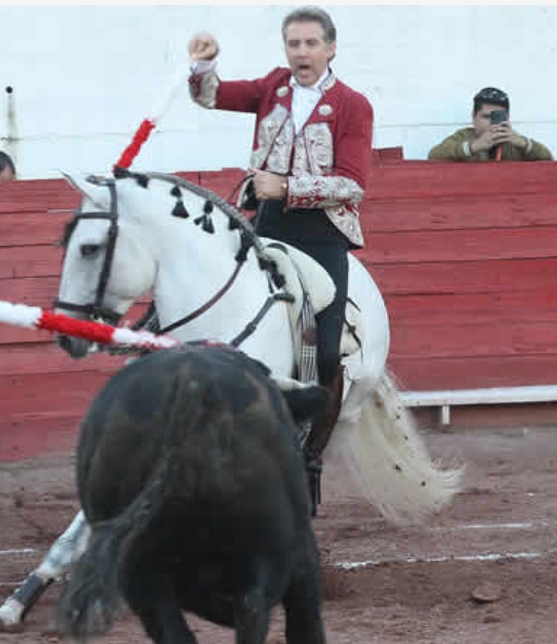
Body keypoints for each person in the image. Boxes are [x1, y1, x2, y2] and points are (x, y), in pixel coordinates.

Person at [187, 6, 370, 484]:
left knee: (327, 353)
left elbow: (352, 186)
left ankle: (310, 450)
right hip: (266, 223)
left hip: (322, 234)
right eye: (294, 44)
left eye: (311, 43)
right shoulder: (273, 87)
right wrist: (203, 64)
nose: (301, 52)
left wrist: (286, 186)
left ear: (331, 48)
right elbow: (211, 97)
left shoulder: (353, 104)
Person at [427, 87, 552, 162]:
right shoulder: (464, 137)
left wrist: (525, 144)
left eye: (497, 117)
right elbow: (434, 156)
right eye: (486, 117)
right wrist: (473, 147)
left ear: (507, 118)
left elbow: (548, 159)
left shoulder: (514, 142)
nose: (492, 124)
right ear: (473, 117)